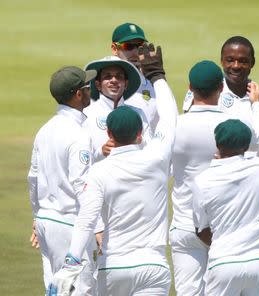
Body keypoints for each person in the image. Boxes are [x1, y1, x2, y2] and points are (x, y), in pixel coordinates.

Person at [47, 46, 177, 296]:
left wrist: (70, 265)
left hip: (114, 267)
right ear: (140, 134)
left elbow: (86, 220)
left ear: (109, 134)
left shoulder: (99, 172)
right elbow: (170, 117)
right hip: (153, 265)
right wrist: (158, 76)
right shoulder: (158, 158)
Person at [170, 60, 259, 295]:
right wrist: (256, 105)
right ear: (221, 88)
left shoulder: (174, 126)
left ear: (190, 87)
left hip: (185, 223)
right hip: (226, 229)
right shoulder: (232, 124)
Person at [28, 66, 98, 295]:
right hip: (69, 224)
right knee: (80, 290)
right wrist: (97, 226)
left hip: (46, 222)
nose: (91, 90)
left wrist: (37, 217)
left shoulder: (44, 130)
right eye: (88, 87)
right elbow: (82, 186)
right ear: (79, 94)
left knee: (56, 290)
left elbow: (33, 179)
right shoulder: (78, 134)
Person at [192, 119, 259, 296]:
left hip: (223, 262)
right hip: (258, 261)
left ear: (217, 144)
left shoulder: (203, 181)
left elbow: (201, 231)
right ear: (246, 146)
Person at [183, 36, 259, 165]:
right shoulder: (206, 93)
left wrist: (254, 176)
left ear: (252, 62)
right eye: (230, 60)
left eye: (243, 61)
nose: (236, 66)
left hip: (249, 182)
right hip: (208, 179)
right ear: (222, 61)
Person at [83, 56, 150, 162]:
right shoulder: (86, 114)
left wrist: (138, 142)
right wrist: (101, 152)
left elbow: (150, 149)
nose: (114, 80)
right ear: (98, 84)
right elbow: (81, 158)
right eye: (107, 77)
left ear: (126, 84)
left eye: (119, 76)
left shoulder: (138, 113)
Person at [110, 22, 159, 134]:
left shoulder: (154, 82)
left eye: (140, 46)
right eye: (128, 46)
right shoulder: (102, 84)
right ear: (114, 49)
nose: (135, 52)